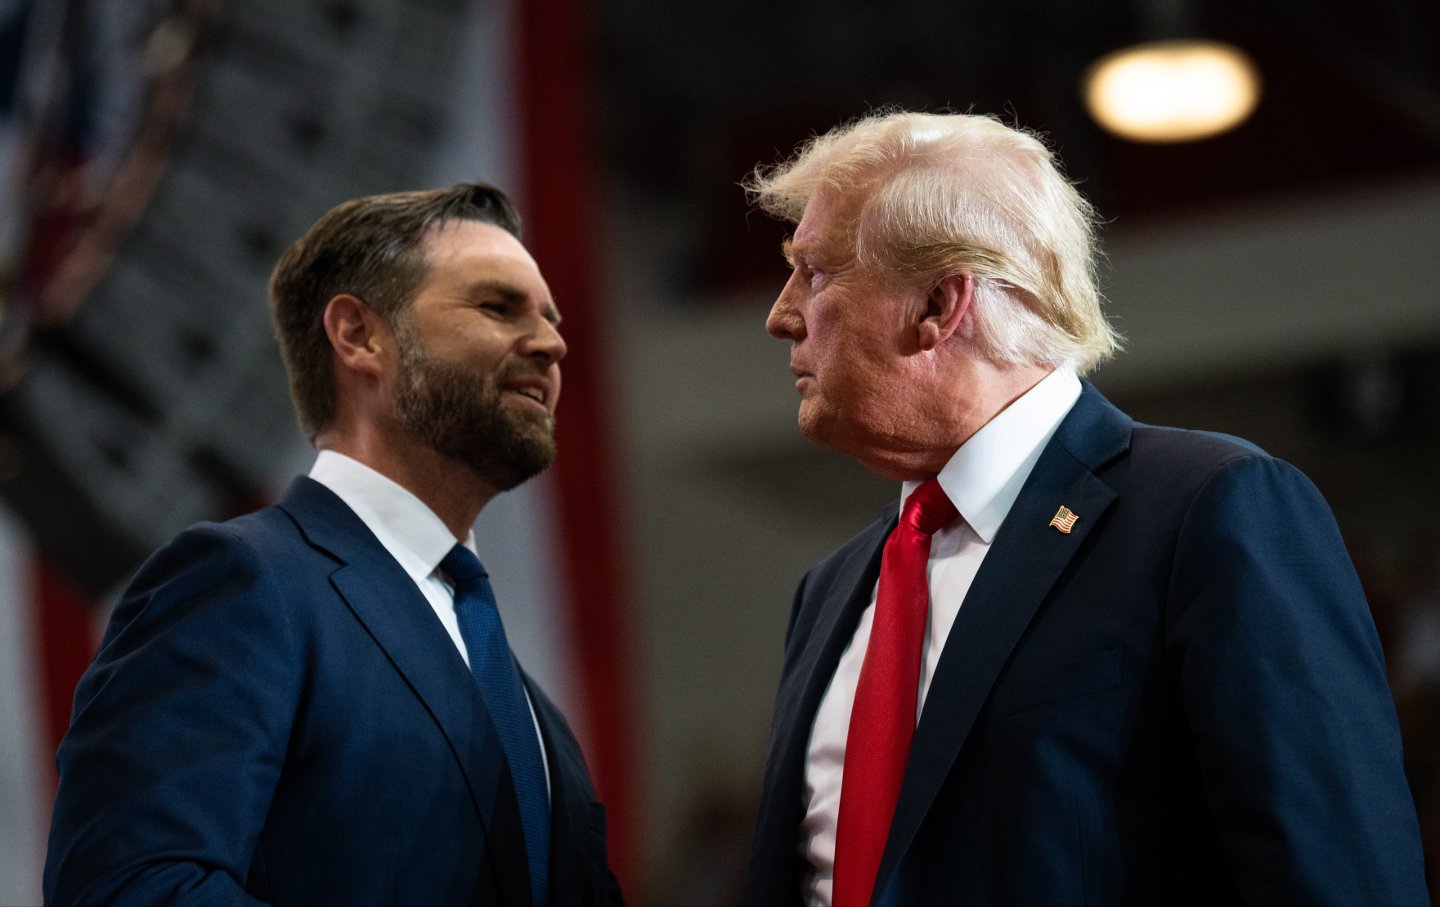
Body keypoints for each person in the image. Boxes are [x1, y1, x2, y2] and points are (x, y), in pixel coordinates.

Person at [740, 111, 1429, 906]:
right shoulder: (829, 591)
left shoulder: (1209, 512)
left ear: (938, 302)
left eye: (815, 272)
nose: (781, 313)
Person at [43, 183, 624, 907]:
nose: (552, 341)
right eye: (498, 307)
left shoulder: (536, 716)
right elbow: (132, 888)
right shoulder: (241, 586)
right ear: (357, 335)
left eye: (551, 317)